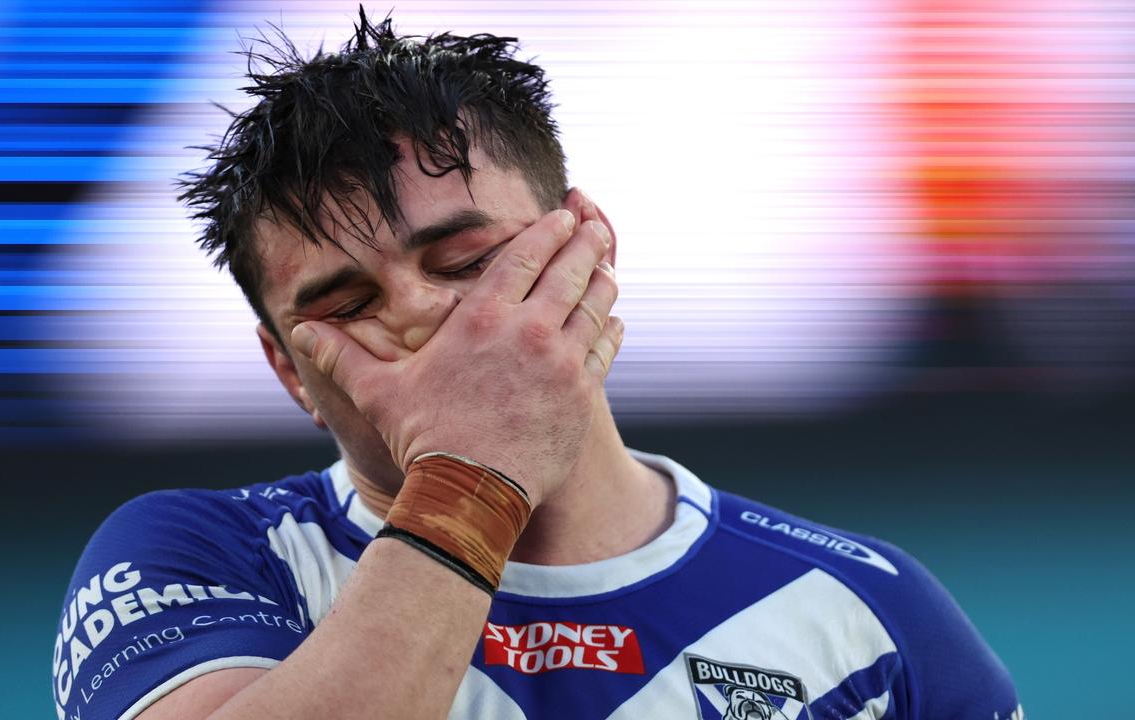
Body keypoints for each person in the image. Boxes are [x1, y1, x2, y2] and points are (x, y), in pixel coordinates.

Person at [52, 10, 1023, 720]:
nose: (426, 313)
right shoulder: (198, 556)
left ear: (586, 245)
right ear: (288, 371)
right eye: (346, 304)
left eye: (468, 260)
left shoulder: (869, 615)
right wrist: (471, 475)